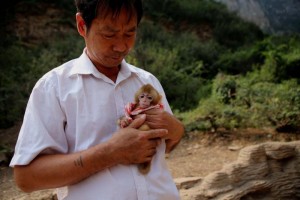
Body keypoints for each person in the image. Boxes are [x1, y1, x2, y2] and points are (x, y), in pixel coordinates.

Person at [10, 0, 184, 199]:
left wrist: (176, 130)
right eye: (108, 34)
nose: (121, 46)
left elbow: (167, 146)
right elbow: (26, 178)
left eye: (130, 33)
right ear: (82, 25)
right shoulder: (54, 87)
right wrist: (111, 152)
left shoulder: (147, 81)